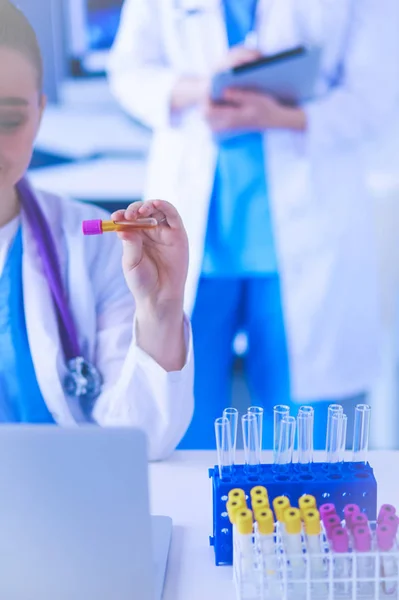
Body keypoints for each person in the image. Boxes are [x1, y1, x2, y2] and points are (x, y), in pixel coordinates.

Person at [108, 0, 399, 449]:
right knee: (181, 422)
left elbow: (378, 95)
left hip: (311, 228)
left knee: (308, 441)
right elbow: (128, 71)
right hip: (198, 238)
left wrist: (280, 115)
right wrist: (201, 89)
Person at [0, 0, 194, 460]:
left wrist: (160, 310)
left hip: (60, 518)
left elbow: (138, 441)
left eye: (8, 120)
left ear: (39, 114)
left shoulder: (90, 250)